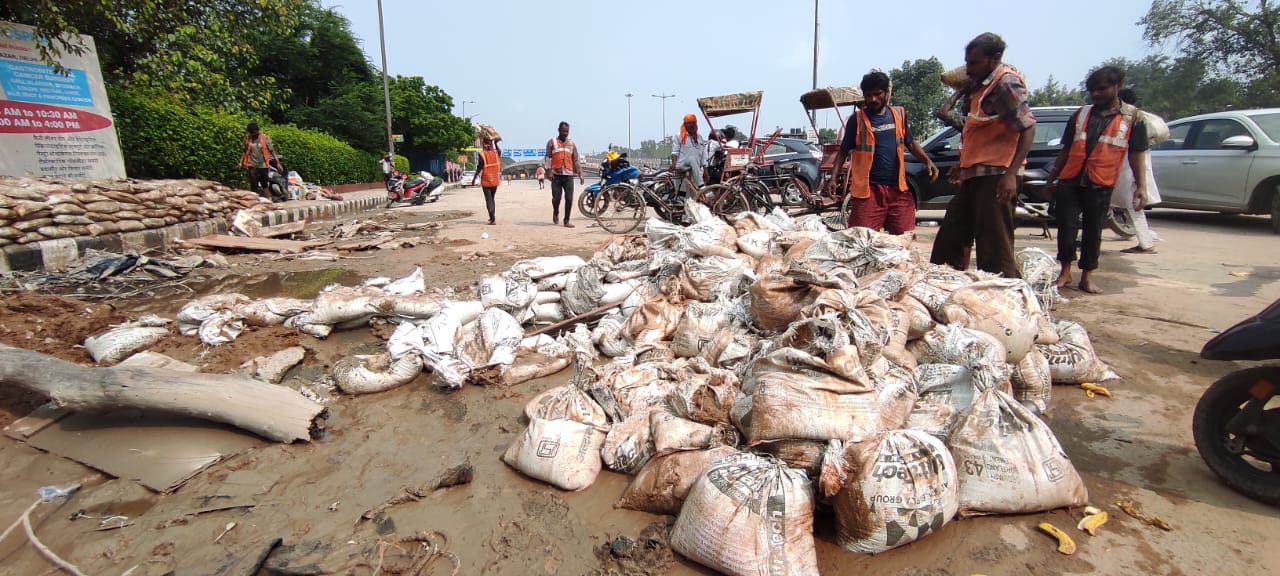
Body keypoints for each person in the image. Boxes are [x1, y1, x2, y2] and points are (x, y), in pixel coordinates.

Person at [928, 32, 1036, 279]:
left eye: (974, 63)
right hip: (975, 174)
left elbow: (1028, 127)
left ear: (994, 58)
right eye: (967, 62)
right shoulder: (980, 89)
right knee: (951, 238)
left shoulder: (1005, 83)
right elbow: (976, 130)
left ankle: (1007, 297)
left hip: (997, 174)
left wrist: (1010, 175)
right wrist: (962, 163)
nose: (969, 68)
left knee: (994, 245)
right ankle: (947, 284)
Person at [1044, 66, 1148, 294]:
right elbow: (1066, 150)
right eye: (1092, 90)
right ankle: (1065, 272)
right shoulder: (1080, 114)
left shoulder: (1133, 118)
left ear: (1117, 87)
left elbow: (1136, 153)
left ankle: (1088, 276)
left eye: (1101, 89)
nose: (1096, 94)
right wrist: (1052, 179)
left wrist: (1141, 186)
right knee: (1067, 227)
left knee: (1093, 230)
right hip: (1071, 179)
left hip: (1101, 181)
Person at [832, 71, 939, 234]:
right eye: (868, 95)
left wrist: (927, 161)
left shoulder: (899, 115)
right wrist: (833, 178)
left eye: (877, 94)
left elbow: (910, 142)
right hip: (869, 191)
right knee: (860, 239)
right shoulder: (857, 120)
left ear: (886, 93)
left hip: (898, 188)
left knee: (903, 237)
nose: (873, 99)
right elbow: (842, 152)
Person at [1113, 88, 1163, 254]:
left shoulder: (1128, 119)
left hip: (1127, 169)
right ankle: (1084, 238)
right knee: (1102, 204)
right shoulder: (1140, 117)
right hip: (1129, 169)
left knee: (1133, 205)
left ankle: (1146, 243)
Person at [544, 121, 584, 227]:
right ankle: (556, 212)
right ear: (559, 130)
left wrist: (580, 173)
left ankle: (566, 220)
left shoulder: (572, 144)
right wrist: (549, 171)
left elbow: (575, 160)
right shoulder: (552, 142)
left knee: (569, 198)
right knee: (556, 198)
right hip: (556, 175)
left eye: (567, 131)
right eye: (563, 131)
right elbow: (548, 157)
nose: (565, 133)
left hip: (568, 175)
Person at [670, 114, 706, 194]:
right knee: (691, 159)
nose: (691, 125)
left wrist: (705, 170)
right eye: (689, 123)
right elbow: (675, 152)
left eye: (693, 122)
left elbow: (703, 155)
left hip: (695, 169)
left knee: (693, 194)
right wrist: (673, 163)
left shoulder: (699, 137)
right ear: (685, 124)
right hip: (682, 164)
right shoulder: (679, 136)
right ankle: (701, 186)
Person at [240, 123, 276, 195]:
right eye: (251, 133)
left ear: (257, 130)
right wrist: (240, 162)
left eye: (254, 132)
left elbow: (271, 150)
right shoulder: (247, 138)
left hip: (263, 164)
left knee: (264, 183)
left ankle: (267, 198)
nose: (253, 134)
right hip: (252, 164)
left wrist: (277, 162)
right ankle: (254, 199)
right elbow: (245, 151)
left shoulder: (264, 138)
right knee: (253, 184)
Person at [471, 139, 502, 225]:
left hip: (486, 180)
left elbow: (479, 167)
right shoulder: (496, 153)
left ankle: (492, 219)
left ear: (484, 145)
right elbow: (499, 151)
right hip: (495, 180)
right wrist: (496, 143)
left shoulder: (482, 154)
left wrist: (474, 179)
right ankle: (492, 217)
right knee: (492, 198)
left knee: (488, 200)